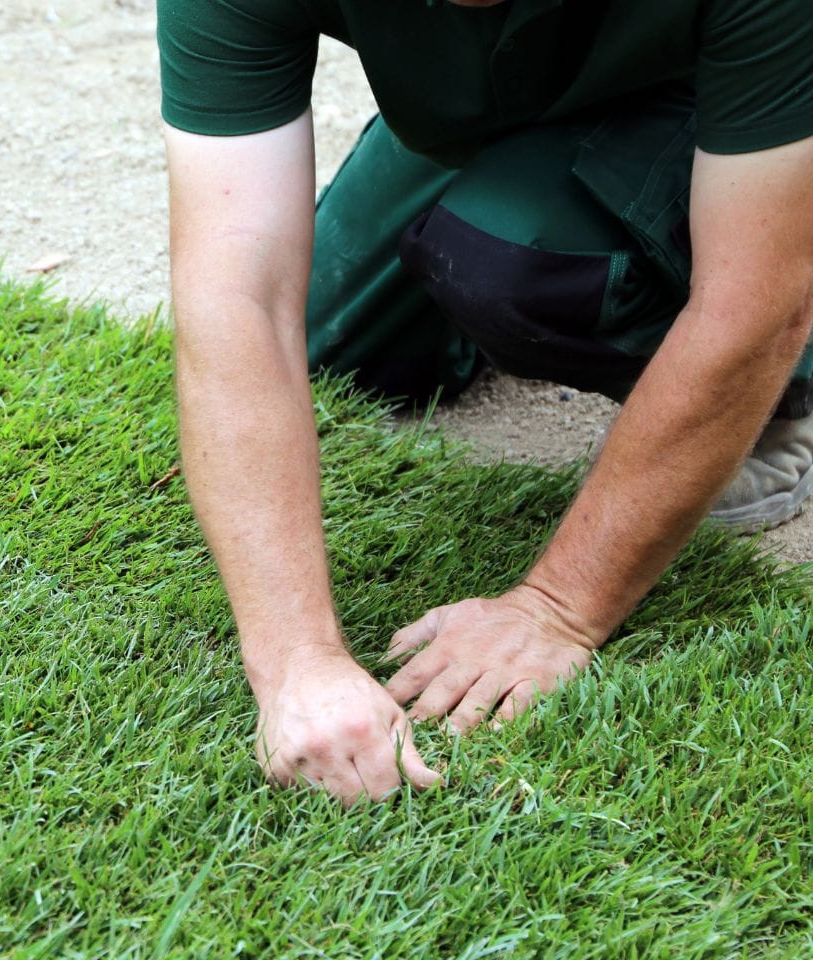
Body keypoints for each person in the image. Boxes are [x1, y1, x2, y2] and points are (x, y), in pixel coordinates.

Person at [157, 0, 813, 805]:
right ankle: (508, 198)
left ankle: (778, 399)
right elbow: (237, 295)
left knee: (513, 263)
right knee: (333, 334)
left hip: (741, 99)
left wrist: (557, 609)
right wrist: (296, 662)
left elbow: (752, 307)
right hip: (515, 95)